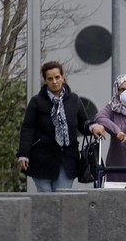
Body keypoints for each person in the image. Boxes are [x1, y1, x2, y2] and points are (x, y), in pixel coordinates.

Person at [17, 61, 93, 192]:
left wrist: (93, 127)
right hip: (41, 159)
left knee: (61, 198)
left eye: (57, 77)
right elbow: (28, 128)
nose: (54, 81)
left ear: (62, 77)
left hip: (67, 159)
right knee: (45, 199)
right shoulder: (37, 101)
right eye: (50, 78)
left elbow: (83, 122)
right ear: (45, 80)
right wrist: (24, 154)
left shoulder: (74, 100)